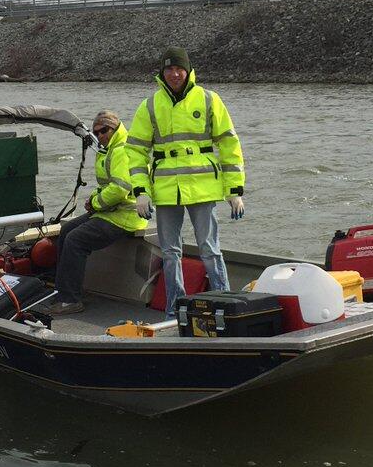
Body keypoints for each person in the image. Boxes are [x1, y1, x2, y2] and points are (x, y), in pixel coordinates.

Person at [126, 47, 245, 316]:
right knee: (170, 252)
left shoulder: (209, 99)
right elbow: (134, 151)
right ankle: (174, 308)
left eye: (179, 68)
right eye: (169, 69)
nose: (175, 74)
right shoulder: (150, 105)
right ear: (162, 73)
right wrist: (141, 192)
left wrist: (234, 190)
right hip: (166, 192)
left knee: (210, 249)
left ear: (188, 70)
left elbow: (229, 144)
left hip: (204, 189)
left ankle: (223, 301)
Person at [47, 110, 150, 315]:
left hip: (125, 217)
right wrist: (93, 199)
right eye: (96, 132)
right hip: (111, 212)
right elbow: (108, 185)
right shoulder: (109, 149)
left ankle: (71, 300)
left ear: (114, 129)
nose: (100, 136)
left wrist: (95, 203)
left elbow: (120, 189)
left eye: (104, 131)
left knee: (76, 240)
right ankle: (62, 291)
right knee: (66, 230)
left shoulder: (121, 150)